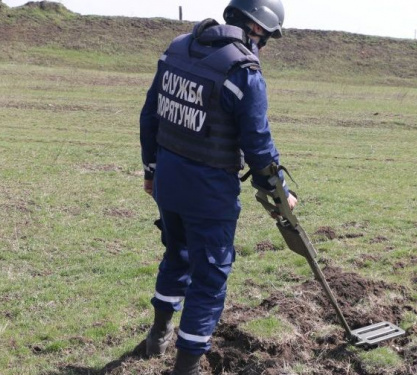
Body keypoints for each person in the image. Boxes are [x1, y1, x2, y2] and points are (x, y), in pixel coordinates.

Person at [139, 0, 296, 373]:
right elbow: (258, 146)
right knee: (209, 278)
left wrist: (150, 170)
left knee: (177, 254)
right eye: (266, 38)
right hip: (208, 192)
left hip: (168, 179)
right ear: (256, 29)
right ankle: (187, 367)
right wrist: (279, 190)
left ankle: (157, 337)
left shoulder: (177, 48)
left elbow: (150, 114)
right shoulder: (244, 71)